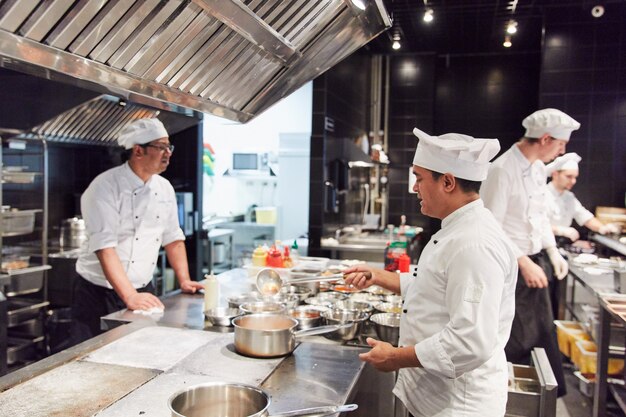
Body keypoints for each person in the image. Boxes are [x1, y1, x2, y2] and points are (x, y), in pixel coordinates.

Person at [344, 128, 518, 417]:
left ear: (447, 182)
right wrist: (377, 276)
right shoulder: (456, 230)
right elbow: (432, 287)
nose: (415, 187)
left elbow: (470, 341)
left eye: (419, 178)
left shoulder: (474, 245)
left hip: (459, 406)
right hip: (437, 398)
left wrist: (395, 357)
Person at [71, 118, 204, 343]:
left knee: (140, 352)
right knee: (94, 358)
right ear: (138, 151)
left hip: (143, 289)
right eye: (161, 147)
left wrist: (184, 280)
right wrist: (129, 295)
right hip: (99, 292)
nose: (168, 153)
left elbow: (173, 238)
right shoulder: (104, 187)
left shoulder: (164, 188)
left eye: (169, 147)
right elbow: (105, 248)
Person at [480, 108, 580, 397]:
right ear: (545, 138)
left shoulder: (537, 168)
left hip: (535, 262)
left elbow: (538, 217)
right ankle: (506, 399)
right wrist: (522, 261)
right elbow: (491, 225)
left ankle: (541, 401)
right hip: (514, 269)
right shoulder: (502, 170)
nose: (561, 151)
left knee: (542, 336)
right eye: (560, 145)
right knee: (517, 339)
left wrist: (551, 251)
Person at [546, 152, 620, 242]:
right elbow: (535, 225)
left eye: (575, 177)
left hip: (560, 244)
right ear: (555, 174)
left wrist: (602, 228)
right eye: (569, 176)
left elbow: (585, 217)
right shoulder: (542, 195)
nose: (573, 181)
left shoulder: (569, 197)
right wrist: (559, 230)